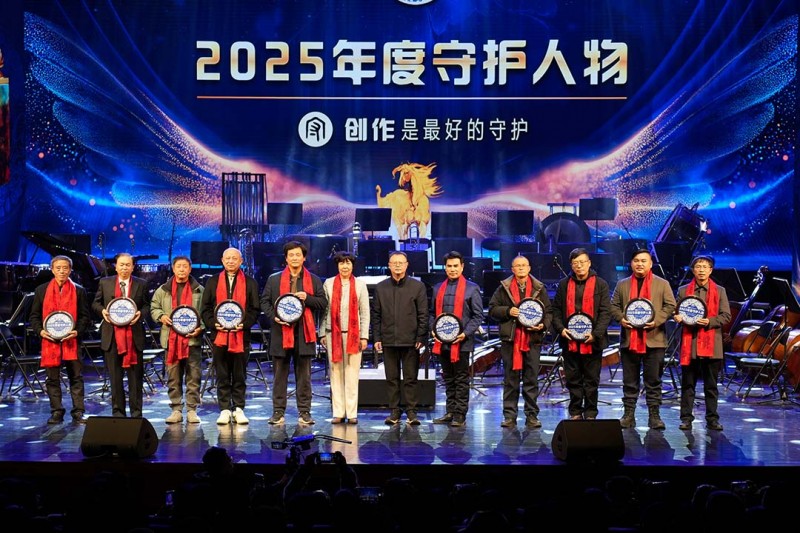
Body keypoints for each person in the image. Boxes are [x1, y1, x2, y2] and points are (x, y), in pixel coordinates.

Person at [261, 241, 327, 426]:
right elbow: (264, 302)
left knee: (304, 377)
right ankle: (278, 412)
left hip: (304, 333)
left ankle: (304, 412)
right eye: (291, 255)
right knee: (279, 376)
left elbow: (322, 303)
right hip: (281, 332)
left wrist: (308, 298)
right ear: (286, 258)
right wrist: (275, 317)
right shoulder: (274, 279)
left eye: (298, 254)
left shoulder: (314, 279)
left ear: (304, 258)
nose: (295, 258)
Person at [610, 249, 676, 429]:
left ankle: (654, 416)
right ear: (631, 263)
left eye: (643, 261)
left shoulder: (662, 284)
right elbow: (613, 306)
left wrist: (656, 320)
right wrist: (621, 318)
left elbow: (670, 306)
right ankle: (628, 415)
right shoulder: (622, 284)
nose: (640, 264)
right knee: (629, 381)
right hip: (629, 340)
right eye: (636, 260)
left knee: (653, 380)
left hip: (654, 340)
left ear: (651, 263)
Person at [488, 254, 551, 428]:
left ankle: (532, 416)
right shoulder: (504, 288)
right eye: (518, 265)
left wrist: (543, 326)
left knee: (531, 379)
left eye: (524, 265)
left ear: (529, 268)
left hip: (532, 339)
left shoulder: (539, 288)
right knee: (511, 379)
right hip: (511, 340)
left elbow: (549, 312)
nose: (521, 268)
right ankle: (510, 416)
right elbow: (492, 309)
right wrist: (508, 311)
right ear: (512, 269)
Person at [28, 255, 92, 424]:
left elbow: (85, 317)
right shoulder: (41, 290)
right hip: (50, 341)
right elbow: (34, 316)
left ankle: (78, 411)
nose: (62, 271)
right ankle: (56, 411)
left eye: (65, 268)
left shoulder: (79, 290)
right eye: (58, 268)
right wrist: (40, 331)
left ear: (70, 270)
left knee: (76, 377)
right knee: (52, 379)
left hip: (72, 341)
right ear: (52, 270)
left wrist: (77, 332)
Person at [200, 247, 260, 425]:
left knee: (240, 374)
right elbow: (205, 309)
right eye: (228, 258)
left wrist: (244, 324)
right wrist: (213, 324)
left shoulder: (250, 282)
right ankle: (225, 409)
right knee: (222, 373)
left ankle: (239, 408)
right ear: (222, 260)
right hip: (219, 336)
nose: (231, 261)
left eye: (234, 258)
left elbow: (254, 309)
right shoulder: (213, 281)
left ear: (241, 261)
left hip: (241, 336)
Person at [551, 248, 612, 420]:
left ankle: (591, 412)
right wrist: (561, 329)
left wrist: (596, 334)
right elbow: (556, 310)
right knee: (573, 379)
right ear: (571, 265)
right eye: (575, 263)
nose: (579, 266)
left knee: (591, 380)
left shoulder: (601, 284)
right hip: (569, 340)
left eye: (582, 262)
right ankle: (575, 411)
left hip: (593, 341)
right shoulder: (564, 284)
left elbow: (605, 312)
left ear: (589, 263)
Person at [371, 251, 429, 425]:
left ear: (407, 265)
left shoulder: (417, 286)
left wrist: (421, 336)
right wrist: (377, 337)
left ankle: (411, 412)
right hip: (388, 339)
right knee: (392, 378)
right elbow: (376, 315)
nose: (397, 265)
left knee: (411, 378)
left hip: (411, 340)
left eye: (401, 262)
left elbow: (423, 314)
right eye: (394, 262)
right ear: (389, 265)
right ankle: (394, 411)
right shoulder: (381, 287)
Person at [675, 255, 731, 431]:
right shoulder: (683, 290)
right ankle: (686, 418)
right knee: (688, 384)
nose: (701, 270)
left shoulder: (720, 291)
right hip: (690, 343)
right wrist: (677, 317)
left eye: (705, 267)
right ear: (693, 270)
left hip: (712, 344)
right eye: (698, 266)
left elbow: (726, 316)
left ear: (710, 270)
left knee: (711, 385)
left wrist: (710, 321)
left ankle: (712, 419)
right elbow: (676, 311)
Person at [91, 252, 150, 418]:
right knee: (115, 379)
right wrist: (102, 311)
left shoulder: (141, 284)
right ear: (115, 267)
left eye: (128, 265)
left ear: (133, 267)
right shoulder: (105, 282)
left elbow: (147, 306)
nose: (124, 268)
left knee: (135, 379)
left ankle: (136, 414)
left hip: (134, 336)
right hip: (112, 337)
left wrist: (140, 314)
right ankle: (118, 414)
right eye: (121, 265)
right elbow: (95, 303)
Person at [430, 251, 484, 427]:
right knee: (448, 378)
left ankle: (460, 414)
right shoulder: (437, 288)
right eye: (449, 266)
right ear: (445, 268)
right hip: (442, 341)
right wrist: (433, 329)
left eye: (455, 266)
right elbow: (431, 314)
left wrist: (465, 333)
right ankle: (450, 411)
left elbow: (478, 316)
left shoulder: (472, 288)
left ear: (462, 267)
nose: (452, 269)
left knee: (461, 379)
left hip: (462, 342)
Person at [151, 255, 205, 424]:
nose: (182, 269)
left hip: (192, 341)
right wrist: (161, 316)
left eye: (185, 266)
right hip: (171, 340)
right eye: (178, 266)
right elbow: (154, 307)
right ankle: (176, 409)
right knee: (173, 377)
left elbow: (207, 312)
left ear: (190, 269)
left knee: (193, 376)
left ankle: (192, 410)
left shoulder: (199, 290)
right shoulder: (163, 290)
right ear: (173, 269)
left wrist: (201, 327)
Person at [320, 252, 369, 425]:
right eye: (341, 263)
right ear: (337, 265)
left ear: (353, 265)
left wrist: (364, 336)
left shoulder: (360, 285)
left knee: (352, 373)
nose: (345, 266)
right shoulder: (328, 283)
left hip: (353, 335)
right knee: (335, 373)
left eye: (348, 263)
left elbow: (365, 312)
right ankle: (338, 412)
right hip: (332, 334)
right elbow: (325, 310)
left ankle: (352, 412)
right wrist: (322, 333)